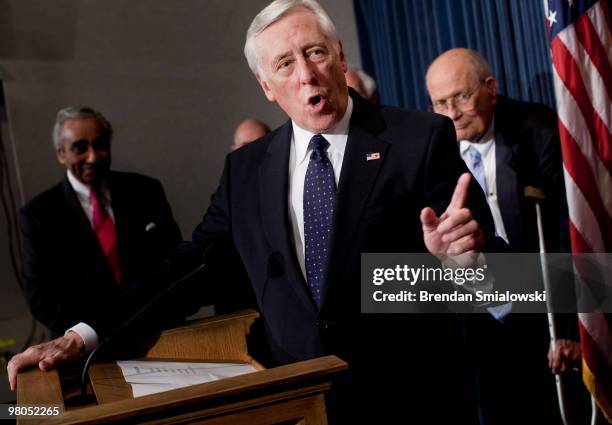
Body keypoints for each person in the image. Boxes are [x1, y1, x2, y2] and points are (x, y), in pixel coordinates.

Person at [8, 2, 501, 422]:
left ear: (340, 58)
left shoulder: (419, 138)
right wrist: (81, 336)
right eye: (285, 63)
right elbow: (184, 269)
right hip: (297, 403)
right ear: (266, 85)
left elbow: (505, 272)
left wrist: (455, 267)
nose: (306, 73)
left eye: (314, 52)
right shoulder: (246, 171)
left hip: (413, 401)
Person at [426, 48, 579, 424]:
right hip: (483, 320)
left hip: (545, 312)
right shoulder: (431, 152)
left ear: (490, 88)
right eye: (440, 103)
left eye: (461, 97)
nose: (453, 113)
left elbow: (567, 237)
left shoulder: (538, 132)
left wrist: (571, 328)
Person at [19, 106, 183, 337]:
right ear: (60, 154)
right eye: (80, 148)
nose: (92, 156)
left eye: (100, 145)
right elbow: (41, 298)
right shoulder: (39, 215)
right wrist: (91, 334)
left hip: (157, 333)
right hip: (85, 348)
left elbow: (174, 262)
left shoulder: (146, 192)